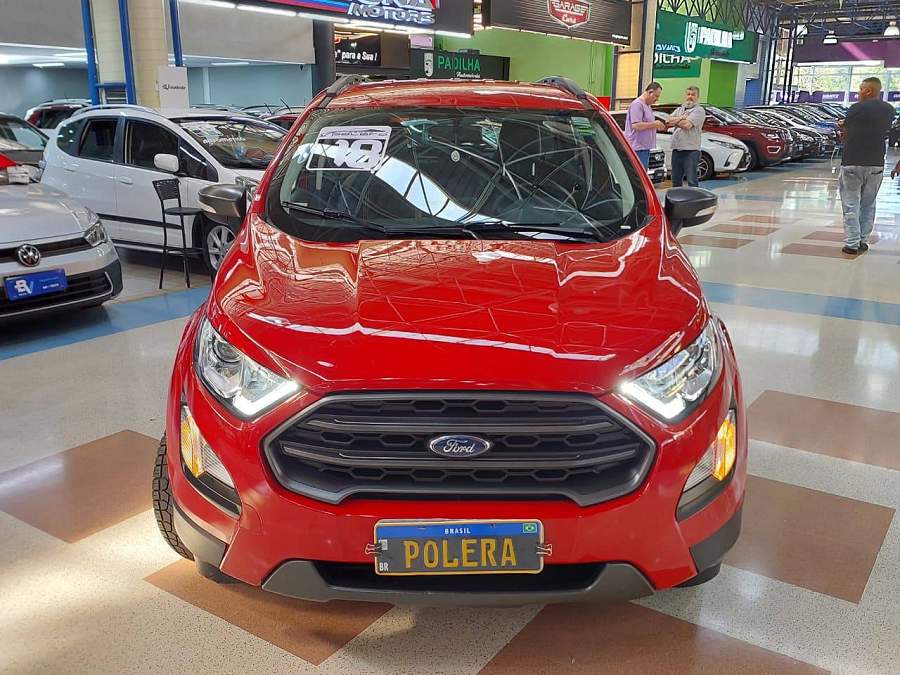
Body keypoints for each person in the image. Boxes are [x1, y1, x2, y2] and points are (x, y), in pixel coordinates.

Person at [837, 77, 896, 255]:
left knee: (851, 203)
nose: (858, 93)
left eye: (860, 89)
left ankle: (852, 243)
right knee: (869, 204)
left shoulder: (856, 108)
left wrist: (842, 128)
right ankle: (863, 240)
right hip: (876, 163)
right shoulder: (889, 109)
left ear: (868, 91)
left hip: (852, 162)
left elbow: (846, 134)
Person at [666, 86, 706, 187]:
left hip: (691, 151)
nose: (690, 97)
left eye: (693, 94)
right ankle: (677, 197)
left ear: (698, 96)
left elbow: (687, 125)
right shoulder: (680, 109)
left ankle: (694, 197)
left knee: (691, 180)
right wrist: (681, 118)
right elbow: (667, 121)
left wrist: (675, 121)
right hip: (677, 150)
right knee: (675, 180)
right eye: (688, 94)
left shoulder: (699, 111)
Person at [625, 82, 667, 168]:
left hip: (644, 148)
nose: (657, 99)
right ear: (650, 92)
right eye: (656, 96)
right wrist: (654, 124)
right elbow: (636, 125)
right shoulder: (637, 104)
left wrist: (657, 126)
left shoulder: (647, 106)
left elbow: (648, 124)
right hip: (637, 148)